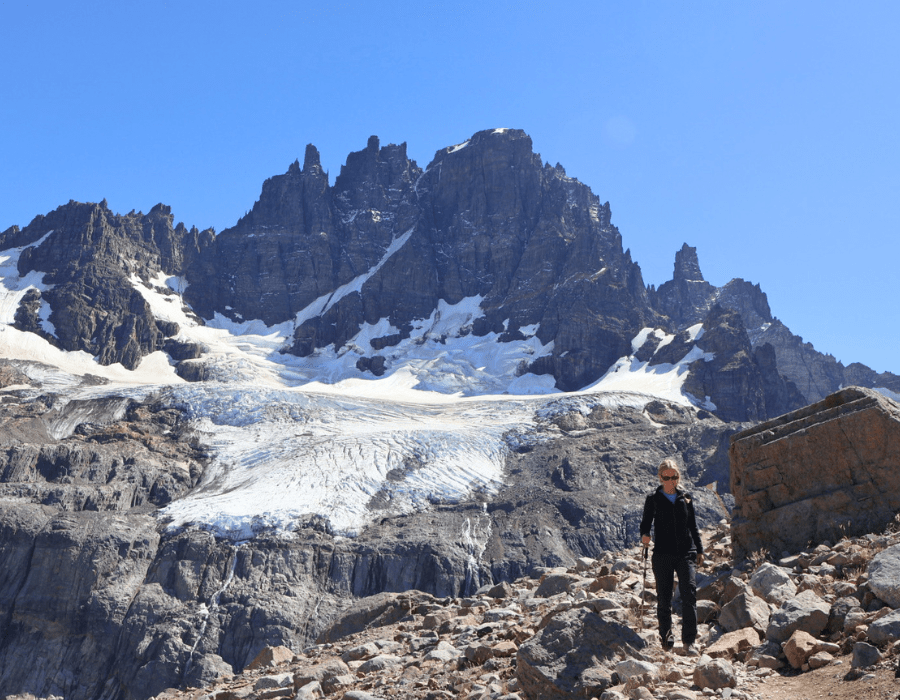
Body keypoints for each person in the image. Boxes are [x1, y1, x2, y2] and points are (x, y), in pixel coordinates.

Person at [640, 457, 704, 656]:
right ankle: (666, 640)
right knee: (664, 599)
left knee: (689, 595)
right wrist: (645, 536)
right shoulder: (653, 499)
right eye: (666, 477)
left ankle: (689, 642)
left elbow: (692, 525)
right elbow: (645, 522)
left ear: (678, 476)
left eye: (673, 476)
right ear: (660, 477)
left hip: (686, 552)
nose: (670, 480)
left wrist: (700, 549)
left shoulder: (686, 497)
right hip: (662, 555)